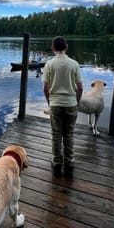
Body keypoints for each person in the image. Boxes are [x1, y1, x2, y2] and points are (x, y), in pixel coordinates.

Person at [42, 36, 83, 178]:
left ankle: (57, 163)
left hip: (55, 104)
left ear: (53, 48)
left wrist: (50, 103)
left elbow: (45, 88)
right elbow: (80, 87)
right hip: (71, 103)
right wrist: (76, 102)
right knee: (69, 134)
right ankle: (70, 163)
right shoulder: (74, 64)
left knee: (56, 134)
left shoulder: (49, 64)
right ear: (66, 47)